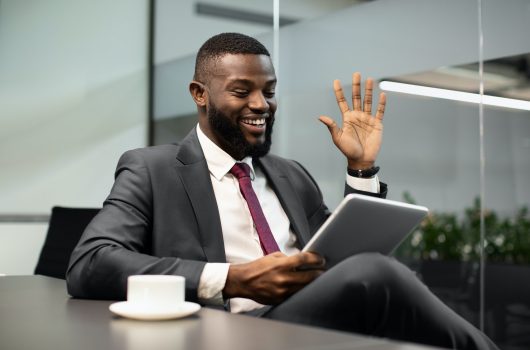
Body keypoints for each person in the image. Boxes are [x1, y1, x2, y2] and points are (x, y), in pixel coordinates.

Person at [67, 33, 498, 350]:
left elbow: (341, 258)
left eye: (269, 92)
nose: (261, 104)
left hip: (308, 324)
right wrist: (232, 280)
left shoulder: (290, 175)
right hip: (227, 332)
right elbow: (90, 263)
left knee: (380, 274)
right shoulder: (152, 168)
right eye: (242, 91)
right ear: (200, 94)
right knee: (378, 275)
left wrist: (361, 168)